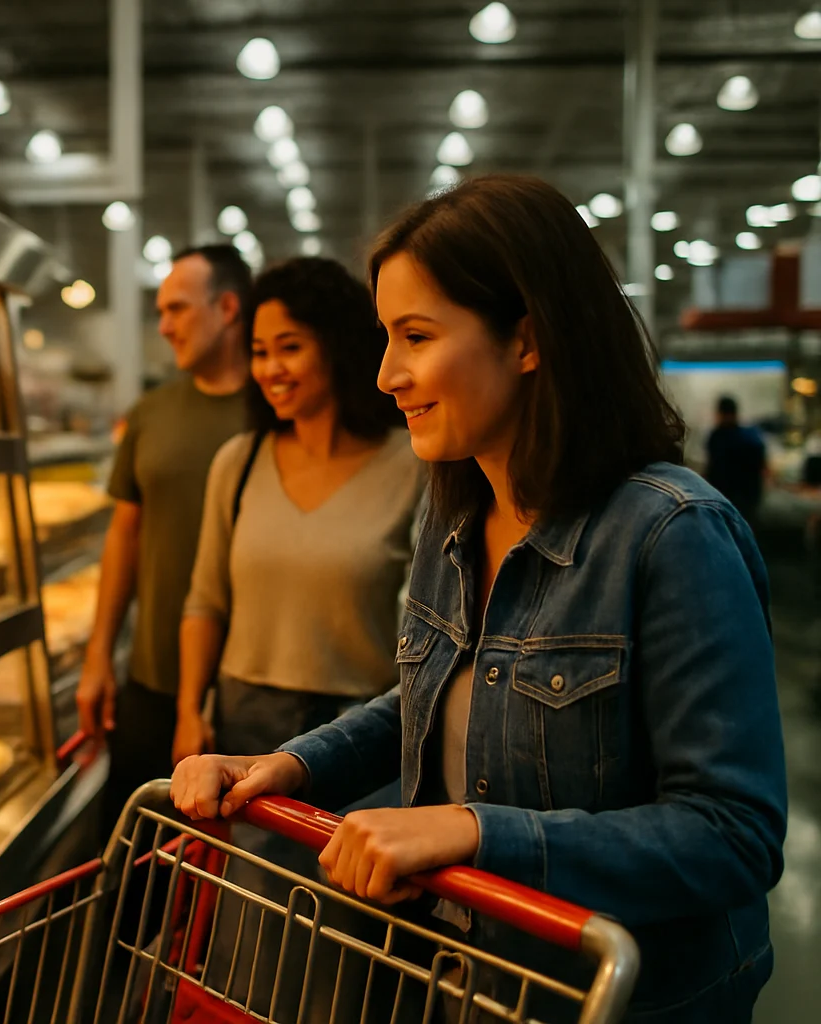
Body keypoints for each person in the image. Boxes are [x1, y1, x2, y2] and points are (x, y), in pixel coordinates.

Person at [171, 174, 786, 1022]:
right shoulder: (456, 514)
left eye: (415, 336)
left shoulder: (670, 534)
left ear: (527, 339)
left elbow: (733, 834)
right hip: (470, 980)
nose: (387, 374)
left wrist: (474, 830)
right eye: (385, 338)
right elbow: (430, 697)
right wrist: (292, 764)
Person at [174, 257, 423, 766]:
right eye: (260, 352)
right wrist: (188, 710)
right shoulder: (238, 462)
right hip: (246, 716)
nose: (270, 370)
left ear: (338, 348)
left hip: (365, 722)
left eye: (290, 348)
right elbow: (205, 602)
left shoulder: (414, 463)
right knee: (249, 851)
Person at [77, 244, 252, 833]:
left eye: (177, 308)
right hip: (151, 681)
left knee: (230, 889)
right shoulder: (150, 413)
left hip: (247, 695)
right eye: (160, 311)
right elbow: (124, 535)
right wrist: (100, 654)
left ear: (228, 307)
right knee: (130, 868)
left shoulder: (275, 413)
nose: (164, 325)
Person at [705, 395, 767, 523]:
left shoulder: (717, 437)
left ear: (720, 413)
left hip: (724, 497)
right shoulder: (751, 437)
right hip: (748, 498)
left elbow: (713, 468)